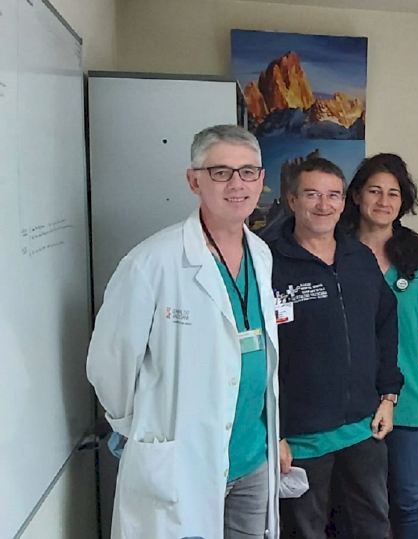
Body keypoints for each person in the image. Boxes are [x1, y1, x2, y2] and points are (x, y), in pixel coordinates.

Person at [87, 124, 281, 538]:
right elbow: (110, 365)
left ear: (261, 180)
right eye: (221, 172)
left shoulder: (261, 254)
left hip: (252, 459)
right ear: (194, 181)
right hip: (181, 463)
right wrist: (145, 431)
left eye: (248, 172)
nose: (237, 184)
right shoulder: (152, 262)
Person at [269, 156, 403, 538]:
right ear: (292, 200)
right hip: (300, 438)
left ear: (344, 202)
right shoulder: (267, 262)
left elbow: (385, 325)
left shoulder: (358, 258)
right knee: (305, 531)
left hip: (363, 428)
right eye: (312, 194)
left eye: (333, 195)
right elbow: (258, 353)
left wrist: (388, 396)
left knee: (372, 526)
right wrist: (273, 432)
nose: (323, 205)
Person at [341, 153, 418, 538]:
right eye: (374, 191)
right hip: (352, 395)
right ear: (356, 196)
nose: (383, 201)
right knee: (357, 503)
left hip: (411, 393)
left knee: (410, 497)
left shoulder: (416, 254)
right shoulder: (335, 251)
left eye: (393, 193)